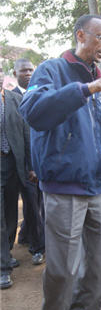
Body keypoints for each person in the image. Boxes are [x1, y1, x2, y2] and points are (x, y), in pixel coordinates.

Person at [20, 14, 101, 310]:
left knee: (94, 278)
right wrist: (84, 90)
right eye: (100, 38)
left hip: (98, 190)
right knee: (62, 275)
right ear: (81, 35)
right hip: (63, 190)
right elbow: (34, 112)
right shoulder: (51, 70)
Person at [0, 64, 35, 289]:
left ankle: (5, 252)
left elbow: (26, 134)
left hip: (13, 166)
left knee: (11, 213)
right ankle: (3, 268)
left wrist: (31, 166)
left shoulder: (14, 99)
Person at [12, 59, 45, 264]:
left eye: (31, 70)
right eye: (23, 70)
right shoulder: (9, 97)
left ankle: (25, 236)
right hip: (18, 164)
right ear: (14, 73)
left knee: (36, 204)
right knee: (32, 205)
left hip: (39, 160)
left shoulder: (40, 95)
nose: (28, 73)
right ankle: (38, 248)